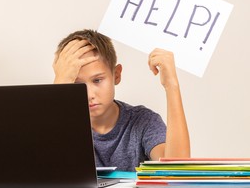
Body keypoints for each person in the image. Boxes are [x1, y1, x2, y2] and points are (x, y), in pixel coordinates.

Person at [52, 29, 190, 171]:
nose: (89, 94)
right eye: (76, 84)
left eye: (97, 80)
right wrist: (59, 88)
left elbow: (176, 170)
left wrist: (171, 86)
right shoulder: (61, 125)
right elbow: (44, 171)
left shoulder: (143, 121)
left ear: (116, 75)